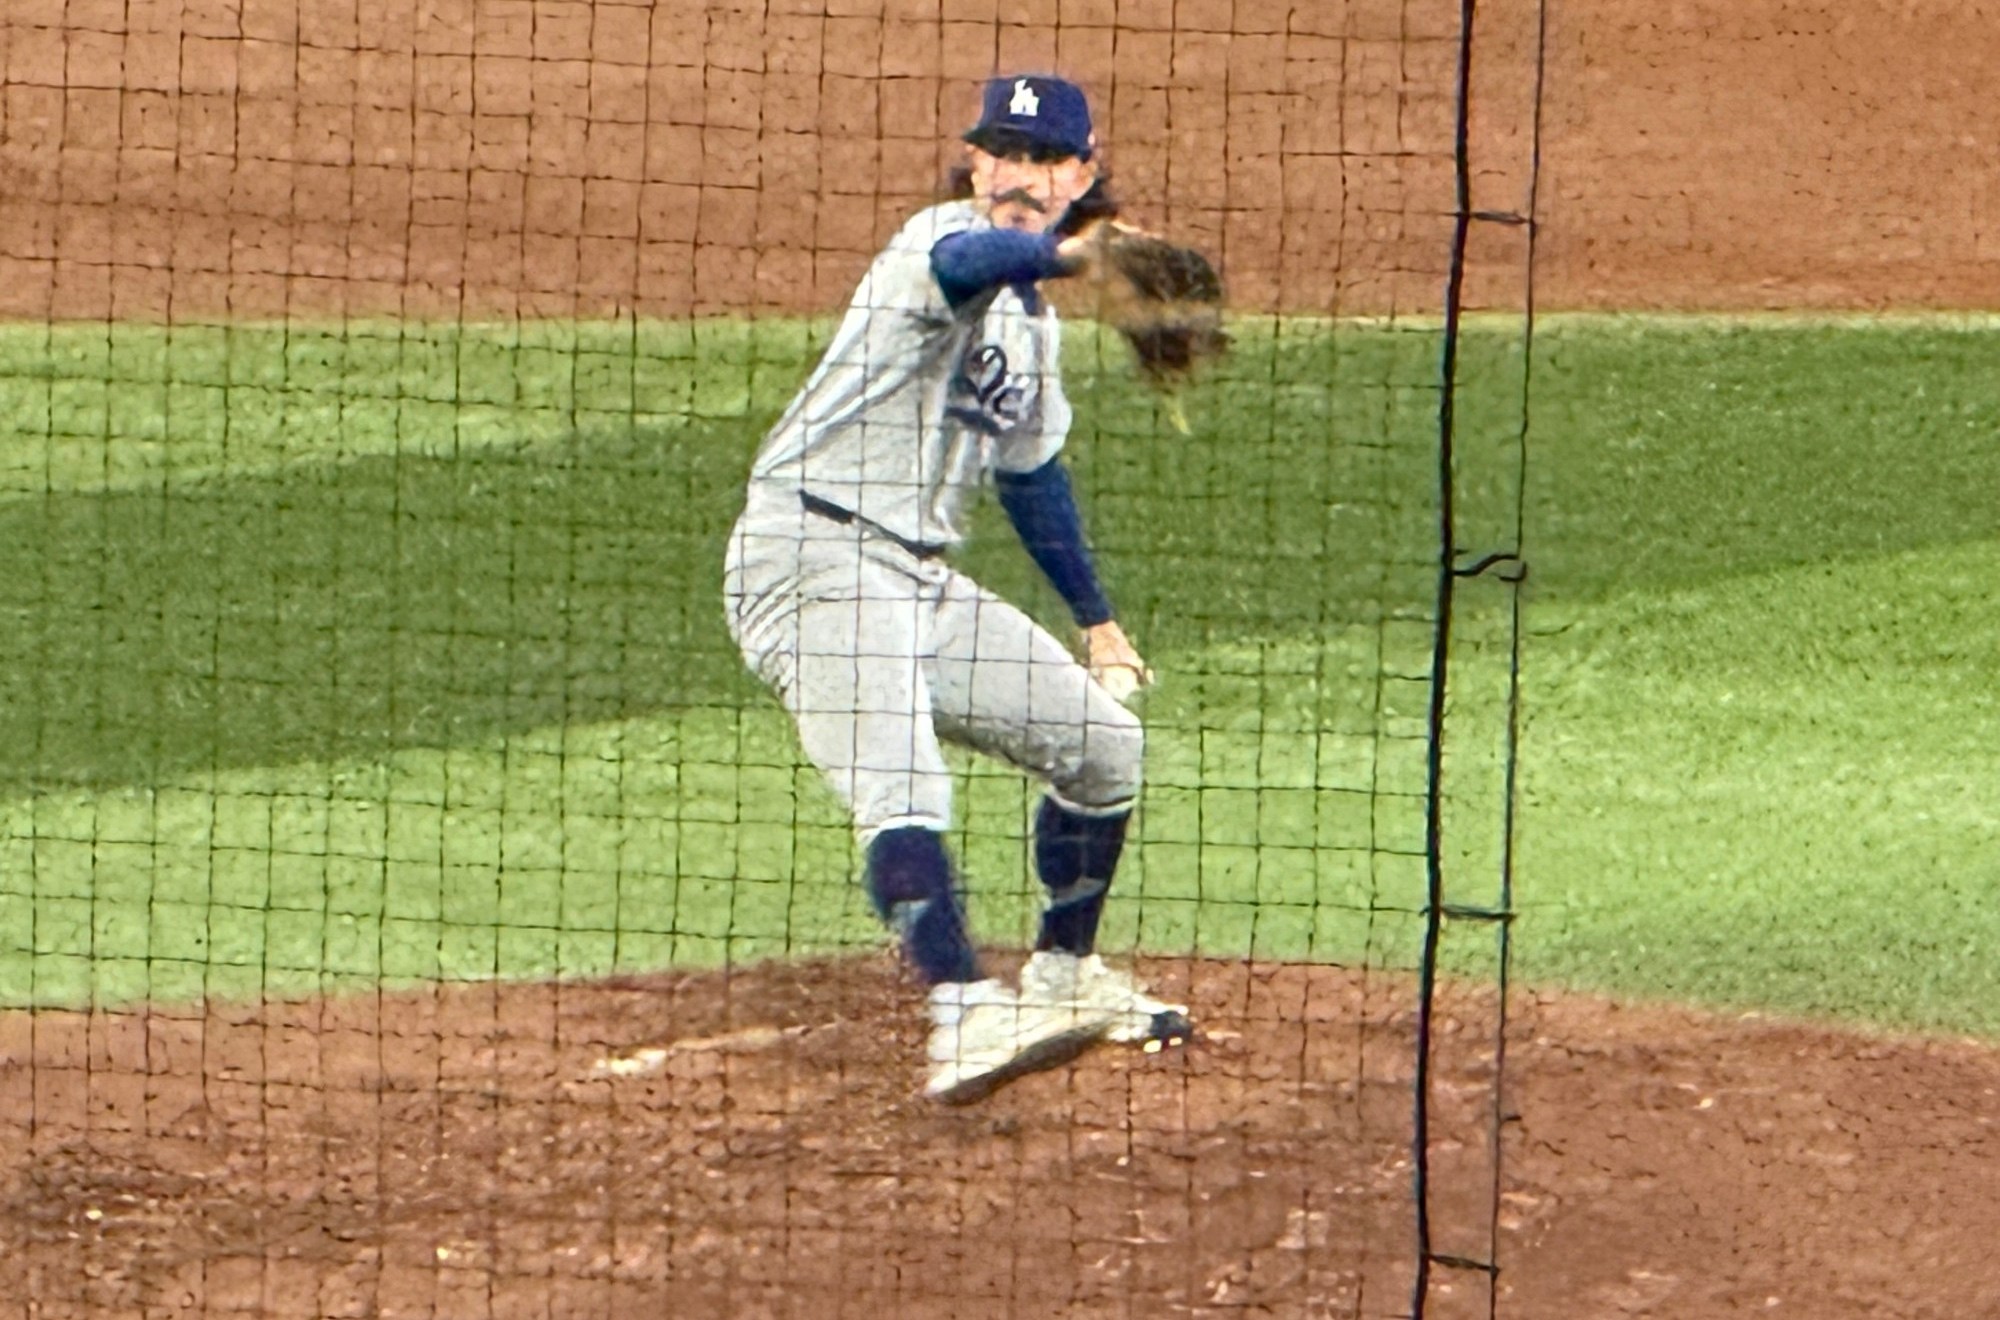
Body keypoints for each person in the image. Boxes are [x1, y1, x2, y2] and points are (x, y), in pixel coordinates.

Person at [723, 74, 1190, 1103]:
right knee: (901, 786)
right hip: (808, 558)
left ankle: (1064, 977)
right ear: (973, 163)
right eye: (1002, 154)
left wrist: (1097, 625)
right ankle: (960, 1016)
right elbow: (969, 258)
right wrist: (1070, 255)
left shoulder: (1033, 329)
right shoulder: (931, 244)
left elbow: (1031, 475)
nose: (1020, 176)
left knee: (1103, 749)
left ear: (1080, 171)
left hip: (919, 584)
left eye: (1044, 159)